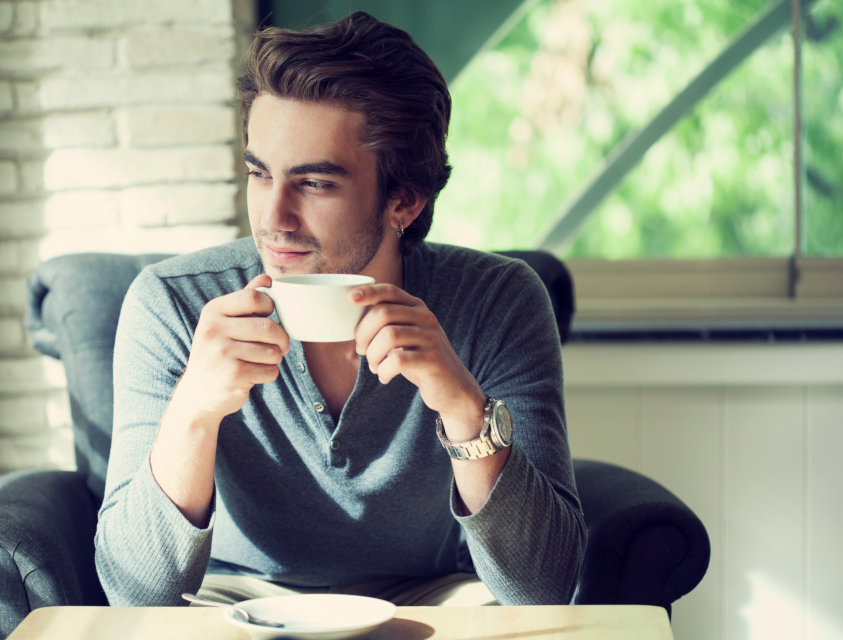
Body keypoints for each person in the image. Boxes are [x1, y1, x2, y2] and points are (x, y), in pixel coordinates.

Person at [95, 11, 585, 608]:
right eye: (259, 173)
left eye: (315, 183)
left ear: (403, 200)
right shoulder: (172, 305)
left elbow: (543, 590)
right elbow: (135, 595)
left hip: (435, 600)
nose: (273, 218)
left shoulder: (499, 301)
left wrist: (462, 405)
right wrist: (193, 411)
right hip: (234, 603)